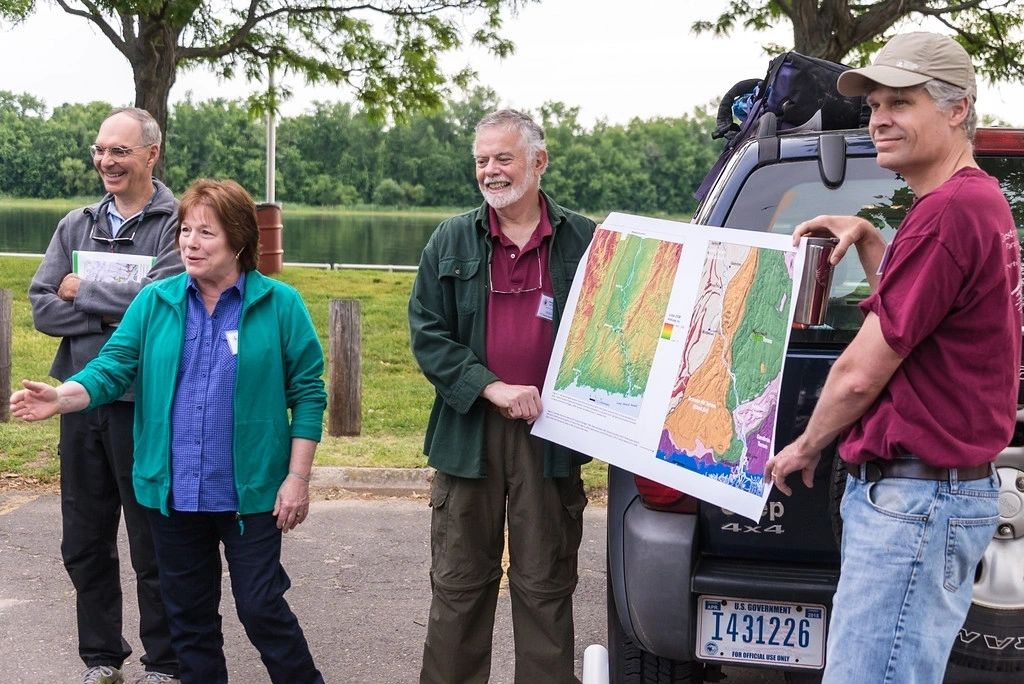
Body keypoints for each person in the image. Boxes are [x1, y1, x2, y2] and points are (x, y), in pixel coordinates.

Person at [764, 32, 1021, 683]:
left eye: (900, 103)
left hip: (915, 500)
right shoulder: (968, 204)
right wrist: (876, 239)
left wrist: (804, 447)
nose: (878, 119)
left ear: (957, 108)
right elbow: (925, 332)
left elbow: (858, 373)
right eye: (875, 104)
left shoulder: (948, 214)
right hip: (930, 498)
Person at [12, 179, 327, 684]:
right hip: (174, 493)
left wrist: (297, 478)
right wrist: (61, 397)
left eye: (207, 233)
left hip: (251, 495)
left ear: (240, 242)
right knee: (190, 623)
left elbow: (308, 394)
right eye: (185, 231)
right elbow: (111, 368)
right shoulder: (156, 301)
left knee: (261, 608)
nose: (190, 243)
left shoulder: (281, 305)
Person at [409, 109, 596, 683]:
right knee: (460, 586)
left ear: (539, 161)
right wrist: (491, 387)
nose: (490, 171)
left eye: (503, 158)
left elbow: (615, 331)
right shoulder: (451, 238)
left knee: (545, 586)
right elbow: (427, 332)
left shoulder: (585, 239)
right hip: (469, 433)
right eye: (481, 161)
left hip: (552, 436)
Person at [28, 106, 182, 684]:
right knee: (84, 540)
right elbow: (43, 304)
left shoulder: (175, 223)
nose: (106, 161)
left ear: (151, 154)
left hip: (142, 405)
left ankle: (165, 664)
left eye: (119, 151)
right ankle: (101, 659)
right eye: (100, 150)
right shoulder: (75, 223)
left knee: (151, 542)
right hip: (77, 401)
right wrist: (120, 302)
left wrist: (83, 292)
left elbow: (163, 304)